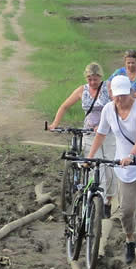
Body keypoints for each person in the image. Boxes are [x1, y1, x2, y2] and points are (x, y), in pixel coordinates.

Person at [85, 75, 136, 264]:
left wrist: (133, 155)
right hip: (124, 164)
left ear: (130, 93)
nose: (120, 100)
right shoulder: (109, 111)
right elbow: (101, 134)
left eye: (123, 95)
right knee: (127, 209)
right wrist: (90, 156)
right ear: (111, 95)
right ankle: (130, 241)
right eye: (116, 96)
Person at [50, 62, 117, 221]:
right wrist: (55, 124)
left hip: (108, 134)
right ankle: (94, 200)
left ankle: (108, 201)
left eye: (95, 79)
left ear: (101, 77)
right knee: (92, 166)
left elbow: (118, 107)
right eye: (89, 79)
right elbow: (64, 106)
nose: (92, 83)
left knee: (109, 168)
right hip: (89, 133)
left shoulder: (108, 88)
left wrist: (107, 124)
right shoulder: (82, 90)